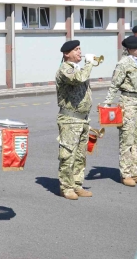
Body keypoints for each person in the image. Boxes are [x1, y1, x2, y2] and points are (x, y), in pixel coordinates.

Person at [103, 36, 137, 187]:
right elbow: (114, 85)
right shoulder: (123, 64)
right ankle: (126, 174)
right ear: (129, 49)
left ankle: (135, 172)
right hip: (128, 101)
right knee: (127, 138)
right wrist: (107, 104)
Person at [55, 40, 95, 200]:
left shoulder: (77, 68)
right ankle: (66, 187)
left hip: (82, 119)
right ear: (67, 54)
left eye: (80, 49)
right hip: (70, 119)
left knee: (80, 156)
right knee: (68, 155)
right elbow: (79, 78)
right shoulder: (65, 69)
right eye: (76, 49)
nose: (80, 52)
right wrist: (89, 63)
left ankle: (77, 184)